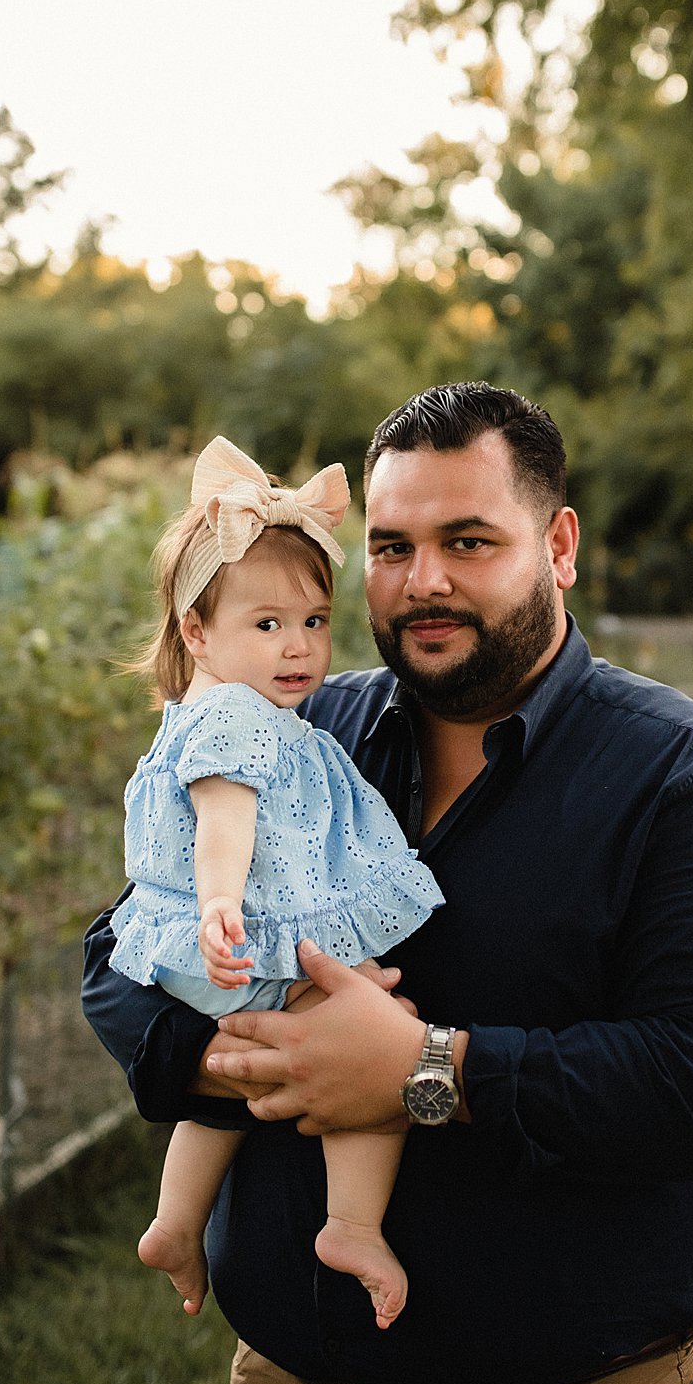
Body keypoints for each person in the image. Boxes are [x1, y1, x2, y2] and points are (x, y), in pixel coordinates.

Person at [82, 383, 693, 1384]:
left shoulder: (681, 782)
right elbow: (122, 948)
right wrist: (218, 1054)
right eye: (396, 548)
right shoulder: (301, 726)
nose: (422, 584)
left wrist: (426, 1072)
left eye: (469, 541)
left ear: (560, 543)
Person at [107, 435, 443, 1330]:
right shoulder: (238, 720)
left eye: (311, 622)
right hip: (242, 932)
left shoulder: (224, 708)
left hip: (209, 937)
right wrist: (222, 904)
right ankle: (351, 1225)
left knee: (233, 1094)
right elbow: (225, 820)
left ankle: (176, 1222)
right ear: (194, 632)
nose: (296, 648)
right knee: (379, 1040)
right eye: (266, 626)